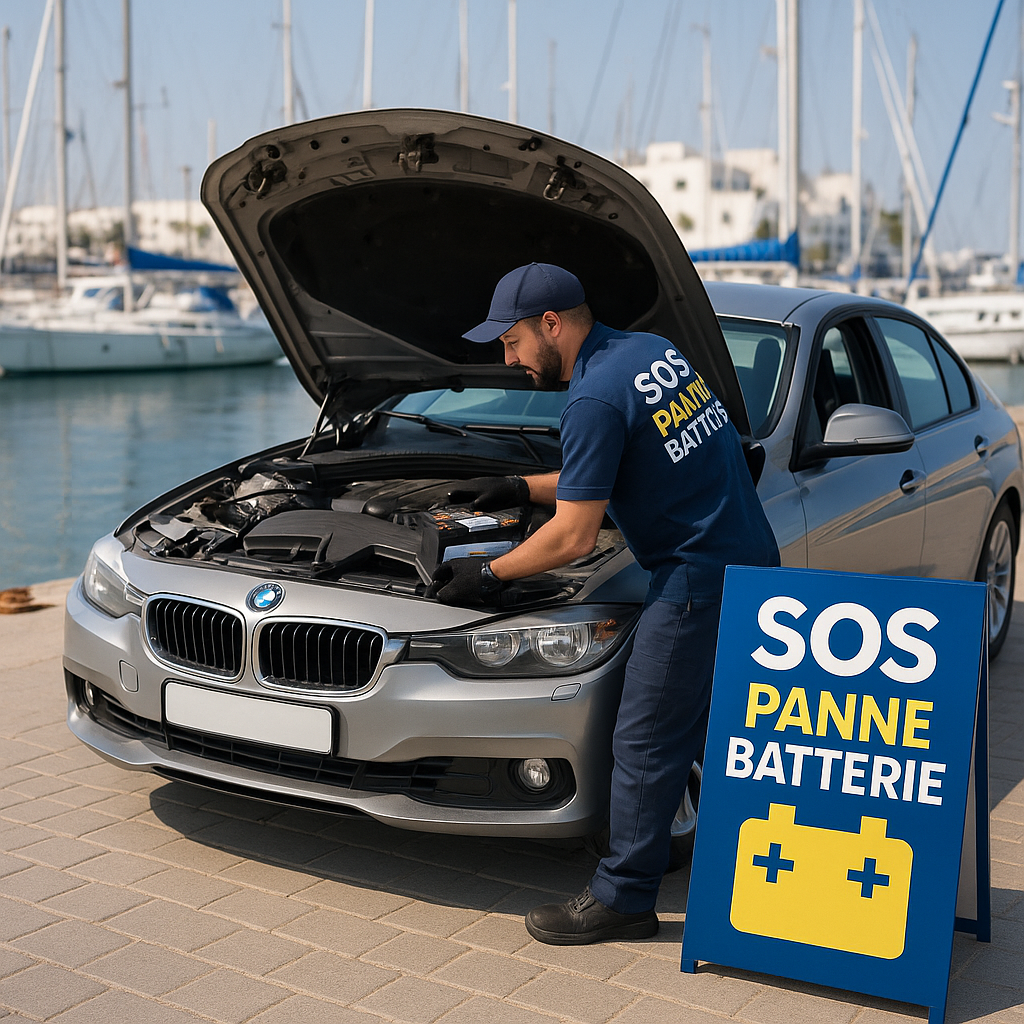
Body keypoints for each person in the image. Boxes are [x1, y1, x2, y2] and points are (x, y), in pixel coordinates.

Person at [430, 263, 780, 945]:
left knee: (646, 736)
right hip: (748, 557)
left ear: (551, 324)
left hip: (694, 578)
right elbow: (624, 460)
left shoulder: (590, 399)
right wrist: (518, 485)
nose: (508, 358)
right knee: (713, 729)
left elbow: (574, 534)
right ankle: (756, 864)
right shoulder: (652, 354)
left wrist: (489, 574)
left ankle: (624, 898)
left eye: (511, 341)